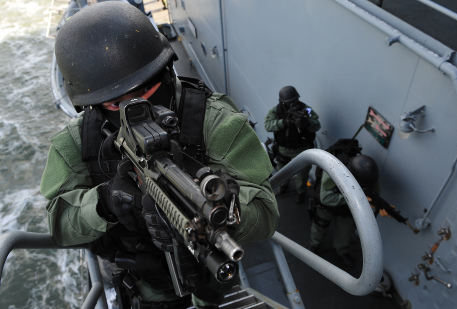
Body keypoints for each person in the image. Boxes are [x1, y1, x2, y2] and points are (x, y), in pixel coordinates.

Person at [40, 2, 279, 308]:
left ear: (166, 71)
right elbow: (59, 222)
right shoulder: (76, 144)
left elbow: (265, 212)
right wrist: (105, 203)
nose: (137, 110)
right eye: (116, 105)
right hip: (144, 286)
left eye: (148, 91)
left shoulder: (215, 121)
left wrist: (229, 209)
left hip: (210, 277)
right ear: (93, 105)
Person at [309, 154, 379, 268]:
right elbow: (326, 198)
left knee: (345, 232)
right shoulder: (334, 170)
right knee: (319, 226)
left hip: (347, 209)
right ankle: (314, 245)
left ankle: (341, 251)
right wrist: (356, 197)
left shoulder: (368, 176)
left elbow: (375, 193)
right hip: (328, 206)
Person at [264, 86, 321, 204]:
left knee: (303, 174)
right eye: (290, 102)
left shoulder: (306, 110)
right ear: (282, 102)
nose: (293, 104)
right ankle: (283, 185)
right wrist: (283, 122)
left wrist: (307, 122)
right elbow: (268, 125)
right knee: (282, 170)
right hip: (284, 148)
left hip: (302, 148)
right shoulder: (277, 111)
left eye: (295, 101)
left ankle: (301, 192)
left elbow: (317, 124)